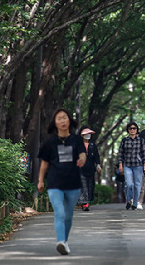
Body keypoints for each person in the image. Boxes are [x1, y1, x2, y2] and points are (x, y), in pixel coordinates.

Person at [38, 108, 86, 256]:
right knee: (59, 213)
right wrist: (40, 180)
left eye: (65, 117)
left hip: (73, 183)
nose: (62, 121)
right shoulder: (50, 142)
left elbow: (82, 154)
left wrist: (82, 159)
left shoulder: (77, 139)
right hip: (54, 183)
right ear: (55, 123)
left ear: (69, 120)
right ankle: (60, 241)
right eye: (59, 118)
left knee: (68, 215)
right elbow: (44, 164)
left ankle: (64, 241)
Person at [118, 122, 145, 210]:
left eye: (134, 128)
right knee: (129, 184)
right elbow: (120, 153)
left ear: (137, 130)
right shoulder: (124, 140)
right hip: (127, 165)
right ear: (128, 130)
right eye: (130, 128)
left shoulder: (140, 140)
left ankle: (135, 203)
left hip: (138, 165)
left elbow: (144, 154)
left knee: (137, 185)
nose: (132, 130)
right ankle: (129, 200)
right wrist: (120, 165)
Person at [77, 126, 101, 212]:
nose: (88, 136)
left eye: (89, 134)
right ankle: (85, 203)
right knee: (83, 187)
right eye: (86, 134)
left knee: (90, 186)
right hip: (81, 169)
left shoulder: (92, 145)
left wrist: (98, 165)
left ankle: (87, 201)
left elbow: (96, 156)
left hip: (91, 169)